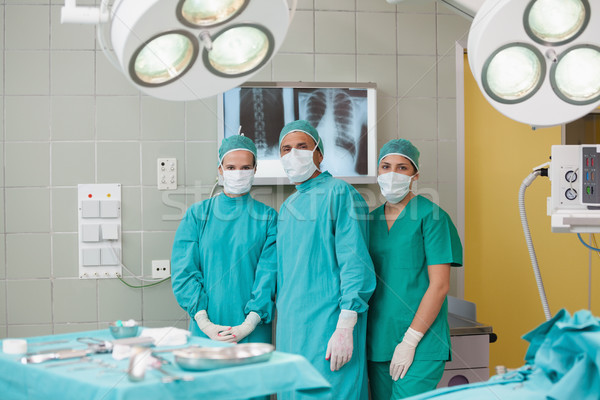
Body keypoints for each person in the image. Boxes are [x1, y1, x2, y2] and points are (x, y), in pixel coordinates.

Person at [275, 119, 376, 400]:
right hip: (292, 329)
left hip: (329, 326)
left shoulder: (340, 193)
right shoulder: (288, 207)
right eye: (286, 149)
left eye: (301, 146)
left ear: (319, 153)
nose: (293, 154)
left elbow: (355, 262)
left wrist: (345, 325)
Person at [366, 139, 463, 399]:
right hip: (379, 339)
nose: (392, 174)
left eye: (402, 168)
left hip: (421, 341)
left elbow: (440, 285)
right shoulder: (370, 220)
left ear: (415, 175)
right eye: (385, 166)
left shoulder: (432, 216)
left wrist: (410, 341)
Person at [171, 134, 277, 345]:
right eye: (231, 167)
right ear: (220, 169)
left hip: (253, 331)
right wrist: (204, 322)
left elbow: (269, 275)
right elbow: (184, 271)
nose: (238, 173)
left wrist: (249, 324)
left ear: (255, 169)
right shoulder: (198, 215)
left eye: (246, 167)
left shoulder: (268, 218)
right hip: (206, 330)